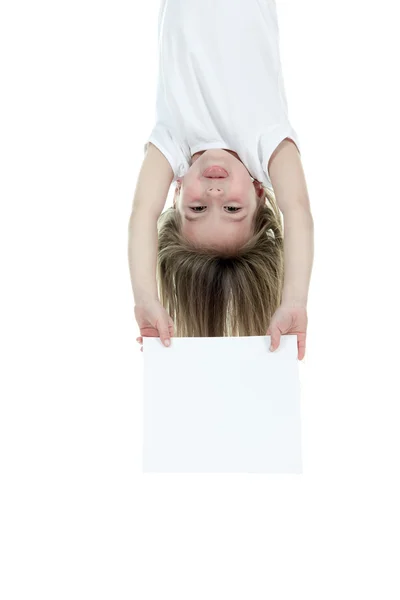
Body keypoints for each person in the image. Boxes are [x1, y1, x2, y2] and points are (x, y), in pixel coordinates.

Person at [128, 0, 314, 360]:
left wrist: (146, 299)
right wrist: (294, 300)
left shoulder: (174, 143)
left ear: (176, 192)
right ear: (259, 193)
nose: (214, 192)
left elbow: (141, 213)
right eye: (231, 208)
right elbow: (298, 210)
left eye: (198, 208)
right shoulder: (266, 145)